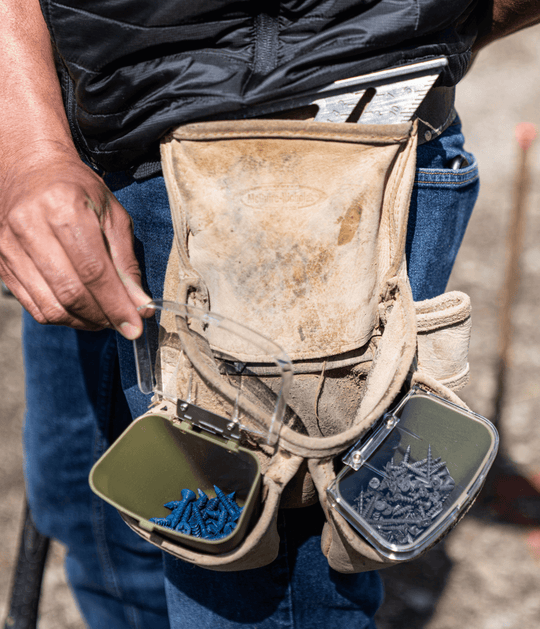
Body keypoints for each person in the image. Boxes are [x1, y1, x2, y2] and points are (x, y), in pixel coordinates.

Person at [1, 1, 540, 628]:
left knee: (254, 586)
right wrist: (29, 147)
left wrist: (399, 39)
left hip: (321, 158)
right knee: (99, 521)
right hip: (81, 126)